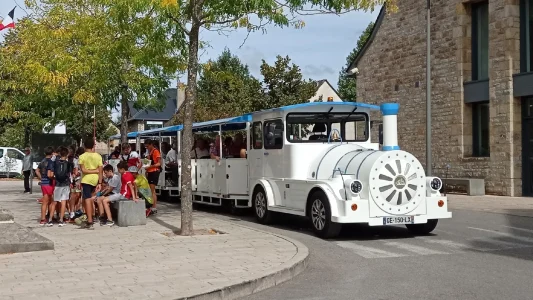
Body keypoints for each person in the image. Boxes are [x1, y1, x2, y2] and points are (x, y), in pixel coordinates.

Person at [97, 161, 138, 226]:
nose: (118, 171)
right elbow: (135, 185)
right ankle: (105, 217)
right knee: (104, 199)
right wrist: (136, 195)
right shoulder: (129, 174)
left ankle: (110, 220)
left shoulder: (125, 176)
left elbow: (131, 186)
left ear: (122, 169)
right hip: (122, 194)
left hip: (123, 195)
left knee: (104, 200)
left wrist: (134, 197)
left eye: (119, 170)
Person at [78, 138, 103, 229]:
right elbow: (100, 170)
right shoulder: (98, 156)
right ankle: (92, 215)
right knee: (91, 199)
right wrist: (100, 182)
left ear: (84, 146)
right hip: (96, 180)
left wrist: (89, 171)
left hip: (86, 180)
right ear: (93, 146)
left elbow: (83, 170)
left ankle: (89, 220)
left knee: (87, 199)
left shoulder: (82, 157)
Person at [47, 146, 73, 227]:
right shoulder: (69, 163)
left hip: (57, 184)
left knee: (54, 202)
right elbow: (70, 174)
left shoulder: (56, 162)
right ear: (67, 154)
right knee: (63, 202)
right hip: (65, 184)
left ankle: (50, 219)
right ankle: (61, 220)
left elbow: (51, 169)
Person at [34, 147, 54, 226]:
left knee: (45, 201)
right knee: (51, 201)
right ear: (52, 153)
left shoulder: (42, 161)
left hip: (43, 183)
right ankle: (48, 217)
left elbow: (36, 170)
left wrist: (41, 178)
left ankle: (43, 218)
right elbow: (51, 174)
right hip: (50, 182)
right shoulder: (51, 162)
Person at [143, 139, 161, 214]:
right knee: (151, 190)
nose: (146, 148)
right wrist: (147, 170)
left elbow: (159, 163)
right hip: (150, 172)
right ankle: (152, 206)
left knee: (152, 190)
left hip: (154, 171)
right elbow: (146, 164)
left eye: (147, 146)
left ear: (151, 145)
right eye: (145, 147)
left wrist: (150, 166)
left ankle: (153, 207)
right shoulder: (149, 152)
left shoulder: (156, 151)